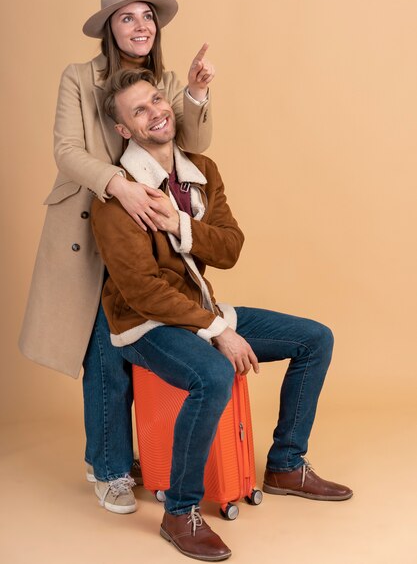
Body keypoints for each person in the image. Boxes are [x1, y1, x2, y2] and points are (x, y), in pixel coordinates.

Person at [90, 68, 353, 561]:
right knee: (212, 372)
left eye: (156, 100)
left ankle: (285, 465)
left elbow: (230, 248)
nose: (156, 112)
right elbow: (142, 290)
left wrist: (181, 224)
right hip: (143, 324)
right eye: (138, 111)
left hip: (200, 308)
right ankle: (180, 512)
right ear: (124, 130)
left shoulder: (203, 170)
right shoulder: (116, 196)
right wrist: (217, 332)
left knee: (316, 339)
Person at [18, 0, 215, 513]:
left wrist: (194, 94)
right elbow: (66, 150)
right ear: (110, 27)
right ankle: (108, 467)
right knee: (104, 352)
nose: (141, 26)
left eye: (147, 16)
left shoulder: (167, 80)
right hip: (90, 226)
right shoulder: (80, 79)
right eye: (127, 17)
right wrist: (119, 185)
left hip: (146, 232)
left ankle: (127, 456)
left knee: (139, 344)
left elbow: (189, 145)